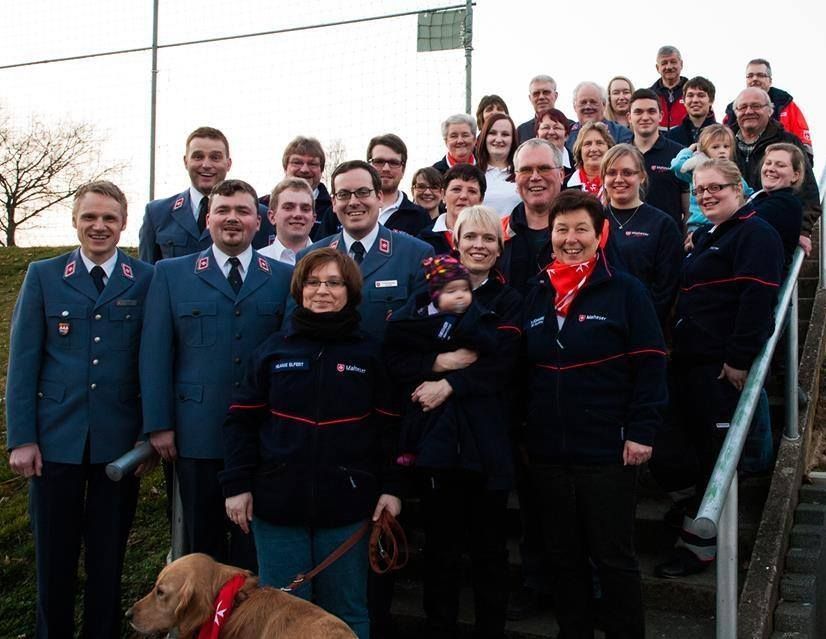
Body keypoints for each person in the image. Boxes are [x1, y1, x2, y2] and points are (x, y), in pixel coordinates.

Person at [220, 248, 400, 639]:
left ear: (349, 291)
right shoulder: (272, 350)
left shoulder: (369, 354)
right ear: (299, 290)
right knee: (280, 615)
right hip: (277, 507)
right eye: (313, 282)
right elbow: (241, 422)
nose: (322, 291)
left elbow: (388, 429)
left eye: (334, 283)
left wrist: (391, 488)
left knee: (346, 612)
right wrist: (236, 485)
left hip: (348, 508)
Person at [5, 181, 154, 638]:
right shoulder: (44, 275)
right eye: (90, 217)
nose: (99, 226)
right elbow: (23, 362)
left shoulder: (145, 279)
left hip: (116, 444)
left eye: (109, 218)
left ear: (124, 223)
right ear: (75, 221)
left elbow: (151, 362)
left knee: (108, 558)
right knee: (55, 558)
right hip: (55, 443)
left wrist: (147, 436)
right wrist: (22, 438)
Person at [522, 190, 667, 638]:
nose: (570, 238)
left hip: (608, 450)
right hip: (549, 453)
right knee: (563, 559)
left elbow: (650, 363)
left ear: (599, 233)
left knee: (613, 558)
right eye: (561, 229)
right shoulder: (537, 291)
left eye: (580, 228)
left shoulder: (626, 290)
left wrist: (641, 431)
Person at [140, 179, 293, 570]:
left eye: (243, 211)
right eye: (223, 210)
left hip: (261, 437)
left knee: (252, 553)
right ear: (208, 219)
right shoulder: (171, 274)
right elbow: (155, 354)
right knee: (200, 550)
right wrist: (158, 424)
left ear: (260, 222)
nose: (232, 219)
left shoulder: (282, 276)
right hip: (196, 435)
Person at [386, 208, 522, 639]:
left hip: (488, 444)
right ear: (456, 243)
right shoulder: (426, 294)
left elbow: (506, 364)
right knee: (441, 550)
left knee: (489, 552)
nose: (479, 245)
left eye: (488, 238)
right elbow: (395, 356)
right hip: (438, 445)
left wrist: (449, 385)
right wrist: (437, 361)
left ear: (500, 248)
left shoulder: (511, 300)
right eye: (470, 238)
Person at [655, 159, 784, 578]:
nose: (706, 195)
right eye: (699, 189)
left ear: (739, 189)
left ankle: (699, 547)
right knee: (678, 449)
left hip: (718, 368)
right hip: (689, 363)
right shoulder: (712, 234)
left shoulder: (755, 233)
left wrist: (738, 359)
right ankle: (689, 512)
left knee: (715, 457)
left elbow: (756, 299)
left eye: (716, 188)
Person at [298, 160, 433, 340]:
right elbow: (294, 331)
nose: (353, 202)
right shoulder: (309, 257)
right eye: (344, 194)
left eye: (363, 192)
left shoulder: (416, 255)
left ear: (379, 197)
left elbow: (423, 331)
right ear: (333, 202)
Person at [139, 126, 274, 263]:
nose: (206, 165)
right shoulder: (157, 213)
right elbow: (150, 274)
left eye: (215, 157)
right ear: (186, 162)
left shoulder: (259, 215)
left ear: (228, 164)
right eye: (198, 157)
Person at [731, 87, 821, 255]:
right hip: (734, 234)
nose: (749, 111)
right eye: (742, 107)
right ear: (735, 112)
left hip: (774, 235)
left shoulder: (788, 142)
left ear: (770, 110)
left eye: (756, 106)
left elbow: (808, 191)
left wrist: (802, 230)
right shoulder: (725, 144)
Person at [601, 144, 682, 325]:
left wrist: (642, 322)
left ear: (642, 176)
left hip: (644, 324)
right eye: (611, 173)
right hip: (598, 323)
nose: (619, 179)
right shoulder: (592, 220)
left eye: (628, 173)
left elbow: (666, 288)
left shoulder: (662, 224)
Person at [500, 139, 565, 294]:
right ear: (515, 178)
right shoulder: (496, 235)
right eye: (526, 170)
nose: (535, 177)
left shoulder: (590, 231)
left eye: (544, 168)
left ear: (561, 174)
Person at [671, 124, 753, 236]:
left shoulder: (732, 173)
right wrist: (689, 150)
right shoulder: (697, 170)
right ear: (704, 150)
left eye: (726, 146)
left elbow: (748, 194)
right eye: (715, 147)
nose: (722, 151)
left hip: (725, 223)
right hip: (698, 226)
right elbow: (677, 166)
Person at [723, 58, 812, 159]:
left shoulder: (786, 105)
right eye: (750, 76)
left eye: (760, 75)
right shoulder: (732, 110)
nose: (754, 79)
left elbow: (804, 144)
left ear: (770, 81)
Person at [628, 89, 688, 229]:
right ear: (629, 117)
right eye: (638, 112)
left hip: (668, 241)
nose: (645, 117)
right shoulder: (620, 156)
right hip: (626, 241)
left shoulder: (679, 154)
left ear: (660, 116)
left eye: (651, 111)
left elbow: (688, 210)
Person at [748, 142, 806, 265]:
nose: (771, 168)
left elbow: (739, 223)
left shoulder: (786, 203)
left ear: (795, 176)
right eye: (768, 163)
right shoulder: (758, 198)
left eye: (780, 165)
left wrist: (697, 235)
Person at [367, 133, 431, 236]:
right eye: (379, 161)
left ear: (403, 169)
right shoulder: (345, 210)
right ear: (368, 166)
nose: (386, 168)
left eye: (393, 163)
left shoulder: (419, 217)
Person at [278, 136, 337, 240]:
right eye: (297, 162)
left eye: (312, 164)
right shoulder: (263, 207)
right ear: (285, 167)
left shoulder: (335, 210)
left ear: (321, 170)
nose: (304, 169)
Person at [419, 164, 486, 255]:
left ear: (481, 199)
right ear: (443, 195)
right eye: (456, 189)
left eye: (472, 191)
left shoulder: (491, 238)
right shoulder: (423, 239)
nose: (463, 196)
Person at [258, 177, 315, 265]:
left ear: (313, 219)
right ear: (272, 217)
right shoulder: (256, 262)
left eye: (305, 209)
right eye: (288, 208)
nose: (297, 214)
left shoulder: (329, 261)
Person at [565, 82, 632, 155]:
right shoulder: (566, 135)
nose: (588, 107)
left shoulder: (622, 134)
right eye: (583, 102)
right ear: (575, 107)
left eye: (593, 102)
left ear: (604, 105)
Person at [476, 112, 521, 217]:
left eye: (505, 134)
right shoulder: (472, 174)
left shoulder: (523, 174)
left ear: (513, 140)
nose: (498, 139)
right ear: (484, 137)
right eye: (492, 133)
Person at [564, 121, 615, 197]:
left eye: (599, 143)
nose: (594, 149)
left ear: (609, 148)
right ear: (579, 150)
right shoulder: (564, 185)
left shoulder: (619, 182)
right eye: (588, 144)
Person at [666, 76, 717, 147]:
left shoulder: (723, 135)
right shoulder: (670, 137)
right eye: (690, 95)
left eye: (701, 95)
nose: (695, 100)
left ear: (711, 100)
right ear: (684, 101)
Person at [649, 45, 688, 132]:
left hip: (688, 144)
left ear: (681, 64)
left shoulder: (694, 93)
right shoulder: (649, 96)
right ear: (657, 68)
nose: (669, 67)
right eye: (664, 63)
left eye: (673, 62)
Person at [517, 75, 564, 144]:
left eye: (546, 92)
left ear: (555, 95)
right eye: (536, 93)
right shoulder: (521, 131)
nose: (541, 97)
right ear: (530, 98)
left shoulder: (571, 127)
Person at [535, 108, 573, 172]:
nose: (551, 132)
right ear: (537, 135)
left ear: (566, 136)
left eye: (556, 128)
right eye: (546, 127)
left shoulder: (578, 165)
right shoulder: (527, 163)